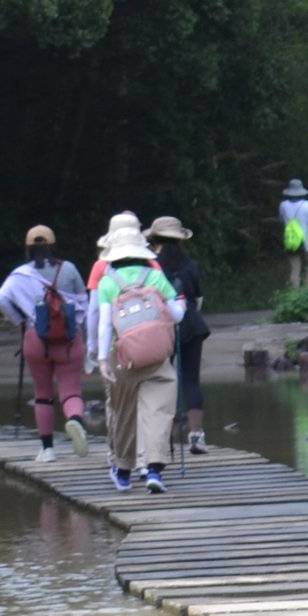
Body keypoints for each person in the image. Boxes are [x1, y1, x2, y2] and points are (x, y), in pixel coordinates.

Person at [89, 210, 186, 496]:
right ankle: (153, 469)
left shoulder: (108, 282)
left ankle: (122, 472)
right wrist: (182, 305)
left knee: (123, 414)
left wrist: (102, 359)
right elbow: (177, 316)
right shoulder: (155, 276)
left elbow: (105, 324)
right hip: (156, 356)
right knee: (158, 412)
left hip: (122, 358)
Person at [0, 226, 90, 458]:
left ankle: (47, 449)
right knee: (70, 391)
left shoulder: (20, 275)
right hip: (68, 339)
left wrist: (21, 320)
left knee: (43, 394)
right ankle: (75, 420)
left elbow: (1, 298)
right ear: (53, 245)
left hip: (36, 339)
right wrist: (87, 339)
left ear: (28, 248)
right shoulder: (69, 269)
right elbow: (85, 305)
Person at [147, 215, 207, 455]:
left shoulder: (151, 267)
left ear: (155, 240)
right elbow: (198, 300)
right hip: (191, 323)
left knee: (162, 381)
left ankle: (165, 439)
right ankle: (197, 436)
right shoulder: (190, 265)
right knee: (191, 380)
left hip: (160, 326)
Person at [278, 177, 308, 290]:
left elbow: (282, 222)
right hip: (307, 243)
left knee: (294, 269)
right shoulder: (307, 205)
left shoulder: (283, 205)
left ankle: (294, 295)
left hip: (291, 242)